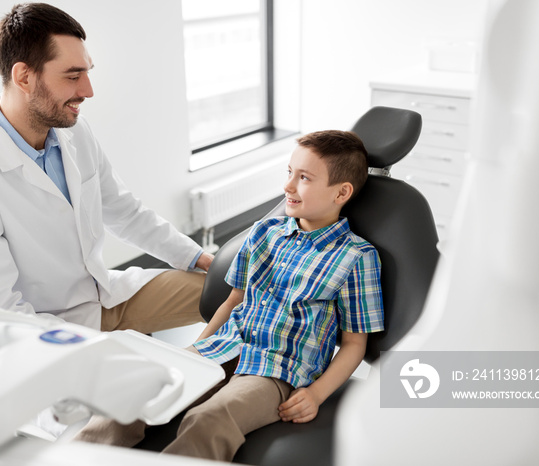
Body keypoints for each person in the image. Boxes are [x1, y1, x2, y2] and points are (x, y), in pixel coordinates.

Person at [75, 129, 385, 461]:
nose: (288, 186)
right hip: (222, 346)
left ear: (341, 193)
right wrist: (193, 353)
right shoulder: (265, 233)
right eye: (289, 173)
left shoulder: (356, 257)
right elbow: (234, 300)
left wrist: (316, 394)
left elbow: (355, 343)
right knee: (132, 395)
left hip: (277, 371)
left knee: (207, 419)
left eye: (304, 178)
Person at [0, 3, 213, 332]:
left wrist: (200, 259)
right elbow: (0, 317)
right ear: (23, 77)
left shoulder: (72, 131)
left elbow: (124, 212)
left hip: (104, 296)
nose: (88, 91)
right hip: (47, 331)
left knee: (232, 291)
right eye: (73, 76)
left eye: (87, 73)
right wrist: (102, 352)